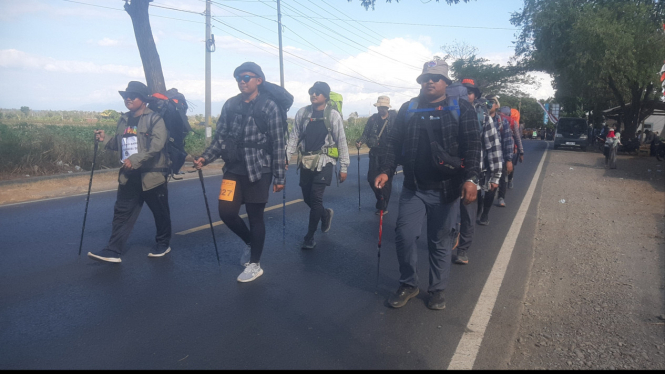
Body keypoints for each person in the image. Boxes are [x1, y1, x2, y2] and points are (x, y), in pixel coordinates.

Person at [375, 59, 481, 310]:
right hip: (414, 187)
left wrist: (471, 179)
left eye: (435, 77)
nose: (429, 81)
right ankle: (409, 284)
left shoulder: (462, 109)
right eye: (425, 78)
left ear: (446, 82)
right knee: (404, 235)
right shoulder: (408, 108)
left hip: (446, 189)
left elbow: (472, 146)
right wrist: (387, 170)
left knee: (440, 241)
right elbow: (392, 142)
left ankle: (437, 290)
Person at [193, 62, 286, 283]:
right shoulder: (230, 104)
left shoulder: (269, 106)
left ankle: (255, 264)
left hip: (259, 169)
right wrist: (206, 157)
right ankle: (250, 242)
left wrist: (279, 177)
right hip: (233, 168)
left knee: (256, 218)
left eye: (246, 77)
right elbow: (221, 138)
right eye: (238, 78)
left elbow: (278, 143)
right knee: (226, 212)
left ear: (258, 80)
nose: (241, 81)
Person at [88, 81, 172, 263]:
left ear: (143, 100)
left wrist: (135, 160)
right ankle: (113, 250)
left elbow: (157, 145)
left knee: (160, 213)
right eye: (126, 96)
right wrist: (105, 139)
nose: (128, 99)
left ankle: (163, 243)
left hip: (151, 176)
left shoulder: (155, 119)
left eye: (132, 96)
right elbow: (122, 144)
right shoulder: (124, 119)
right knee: (122, 213)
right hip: (129, 175)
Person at [286, 81, 350, 250]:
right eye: (312, 91)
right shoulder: (303, 113)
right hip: (306, 162)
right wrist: (286, 158)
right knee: (307, 198)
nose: (314, 94)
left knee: (315, 199)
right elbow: (294, 137)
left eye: (318, 92)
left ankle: (309, 237)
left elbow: (341, 142)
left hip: (325, 162)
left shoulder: (333, 115)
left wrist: (343, 167)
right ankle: (325, 213)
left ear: (326, 96)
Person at [453, 78, 502, 265]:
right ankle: (450, 237)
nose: (466, 95)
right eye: (462, 91)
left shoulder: (483, 118)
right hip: (448, 173)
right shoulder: (448, 113)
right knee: (445, 212)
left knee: (467, 213)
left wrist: (495, 176)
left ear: (475, 96)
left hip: (472, 174)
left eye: (470, 92)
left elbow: (493, 149)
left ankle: (463, 249)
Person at [356, 96, 398, 215]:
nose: (381, 109)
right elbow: (365, 134)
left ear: (387, 107)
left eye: (383, 107)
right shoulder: (373, 119)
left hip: (389, 154)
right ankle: (380, 198)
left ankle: (383, 206)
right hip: (375, 153)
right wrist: (360, 141)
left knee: (387, 181)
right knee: (371, 179)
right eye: (379, 107)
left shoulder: (394, 119)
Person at [477, 95, 514, 225]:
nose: (489, 104)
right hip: (480, 159)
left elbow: (508, 142)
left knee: (491, 187)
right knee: (476, 187)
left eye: (492, 102)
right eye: (486, 102)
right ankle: (477, 209)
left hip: (497, 159)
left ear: (497, 106)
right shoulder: (479, 119)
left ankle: (485, 214)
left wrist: (509, 160)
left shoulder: (502, 122)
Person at [497, 107, 524, 205]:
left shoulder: (492, 119)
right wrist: (521, 152)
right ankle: (501, 198)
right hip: (508, 151)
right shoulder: (513, 122)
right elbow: (517, 137)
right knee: (504, 174)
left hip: (494, 151)